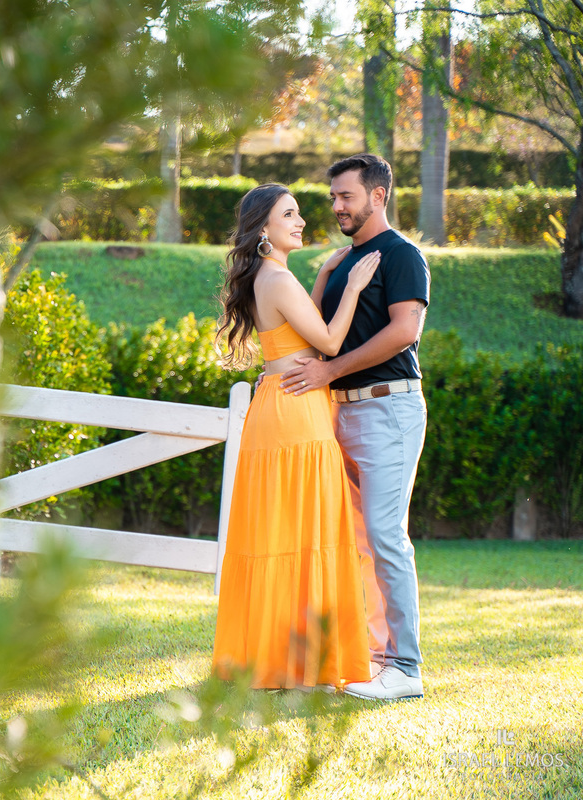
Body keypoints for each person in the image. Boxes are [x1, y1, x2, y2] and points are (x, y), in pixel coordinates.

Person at [211, 183, 380, 690]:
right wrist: (352, 287)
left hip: (277, 407)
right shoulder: (278, 279)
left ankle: (277, 661)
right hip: (296, 414)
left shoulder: (272, 277)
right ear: (264, 228)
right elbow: (328, 340)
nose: (302, 221)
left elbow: (300, 330)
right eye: (290, 214)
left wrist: (327, 273)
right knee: (308, 533)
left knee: (284, 534)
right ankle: (306, 663)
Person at [280, 153, 430, 701]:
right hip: (338, 412)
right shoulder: (345, 260)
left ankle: (406, 668)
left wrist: (329, 372)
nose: (337, 206)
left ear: (378, 195)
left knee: (386, 536)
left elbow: (402, 333)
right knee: (354, 541)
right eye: (333, 198)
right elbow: (317, 332)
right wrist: (323, 275)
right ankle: (368, 657)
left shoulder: (401, 255)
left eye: (346, 196)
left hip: (388, 408)